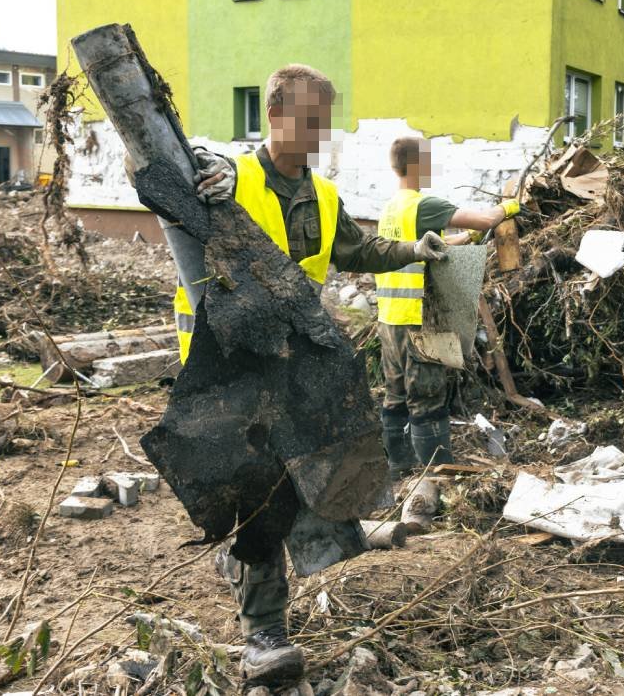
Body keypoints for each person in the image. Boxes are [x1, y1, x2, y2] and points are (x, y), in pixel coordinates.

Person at [181, 65, 448, 686]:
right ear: (274, 115)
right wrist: (204, 165)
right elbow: (160, 167)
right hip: (231, 365)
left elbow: (357, 249)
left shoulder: (323, 195)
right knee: (263, 491)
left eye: (325, 121)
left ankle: (259, 565)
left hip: (296, 362)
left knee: (306, 477)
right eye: (308, 120)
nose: (319, 132)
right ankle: (263, 633)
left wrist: (415, 250)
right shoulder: (229, 178)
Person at [375, 136, 520, 479]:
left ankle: (398, 471)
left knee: (395, 396)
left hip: (389, 318)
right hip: (419, 318)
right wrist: (509, 207)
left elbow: (426, 246)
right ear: (416, 164)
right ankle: (437, 476)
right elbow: (484, 220)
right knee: (428, 397)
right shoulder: (424, 204)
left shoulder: (391, 208)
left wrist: (463, 240)